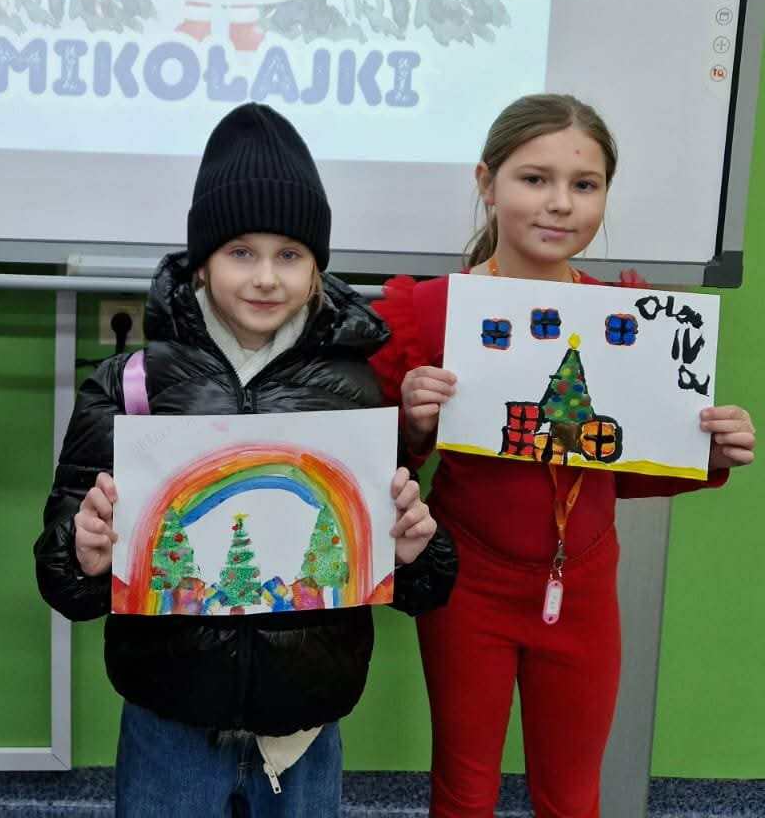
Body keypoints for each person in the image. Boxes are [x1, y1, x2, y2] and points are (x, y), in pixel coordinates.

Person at [35, 102, 457, 816]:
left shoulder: (356, 392)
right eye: (241, 253)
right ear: (202, 261)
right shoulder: (133, 386)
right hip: (169, 722)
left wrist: (418, 551)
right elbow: (63, 581)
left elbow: (421, 582)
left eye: (289, 255)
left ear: (317, 267)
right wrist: (85, 553)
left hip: (306, 727)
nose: (266, 277)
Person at [371, 92, 757, 818]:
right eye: (534, 179)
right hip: (468, 584)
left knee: (574, 794)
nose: (560, 203)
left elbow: (623, 465)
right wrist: (415, 426)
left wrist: (707, 448)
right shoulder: (429, 311)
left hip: (582, 586)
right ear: (487, 183)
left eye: (585, 185)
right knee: (463, 789)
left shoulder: (626, 318)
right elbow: (382, 470)